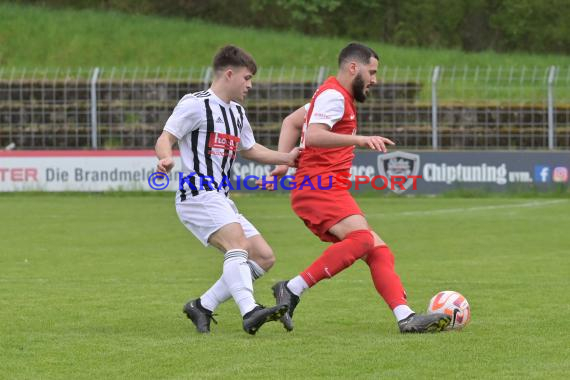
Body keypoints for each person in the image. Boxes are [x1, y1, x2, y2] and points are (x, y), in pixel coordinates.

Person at [269, 42, 451, 333]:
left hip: (329, 188)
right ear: (354, 68)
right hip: (318, 186)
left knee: (379, 251)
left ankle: (405, 317)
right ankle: (292, 288)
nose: (375, 80)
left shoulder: (333, 95)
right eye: (372, 72)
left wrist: (281, 160)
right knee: (363, 240)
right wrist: (360, 139)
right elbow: (314, 135)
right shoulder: (333, 96)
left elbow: (292, 122)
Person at [155, 45, 299, 335]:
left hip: (220, 196)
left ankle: (202, 305)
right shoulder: (195, 104)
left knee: (263, 256)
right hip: (196, 192)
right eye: (246, 78)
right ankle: (250, 311)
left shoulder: (237, 113)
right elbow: (166, 136)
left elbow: (251, 149)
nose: (250, 85)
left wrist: (287, 158)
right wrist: (165, 157)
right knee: (239, 245)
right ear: (229, 74)